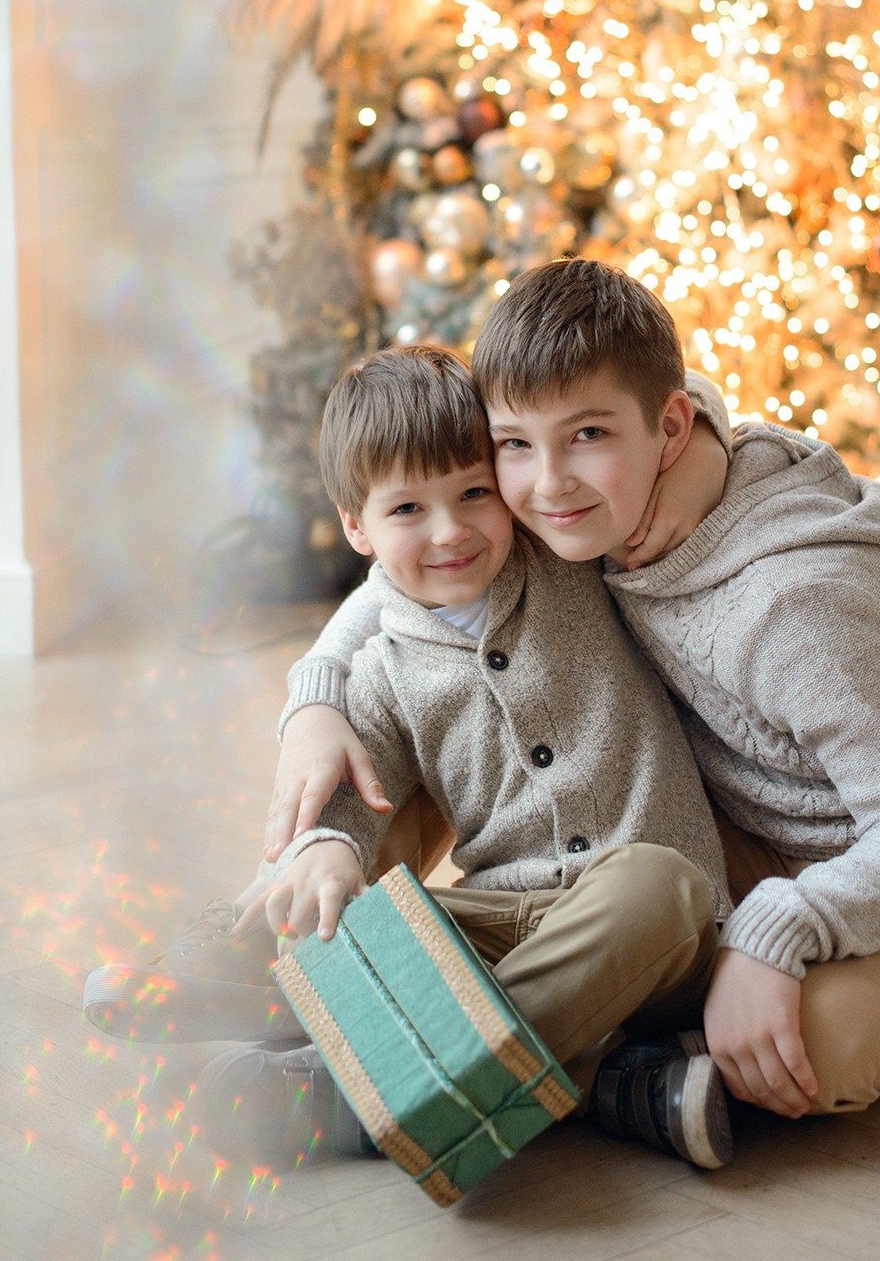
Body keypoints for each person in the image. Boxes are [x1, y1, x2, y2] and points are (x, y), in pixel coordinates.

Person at [260, 259, 880, 1123]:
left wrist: (776, 928)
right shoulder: (589, 506)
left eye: (587, 437)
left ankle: (462, 1070)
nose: (546, 484)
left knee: (800, 1049)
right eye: (514, 445)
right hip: (738, 827)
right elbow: (408, 571)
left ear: (668, 432)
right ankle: (293, 943)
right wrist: (317, 695)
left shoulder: (796, 609)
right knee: (417, 713)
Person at [94, 345, 738, 1173]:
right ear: (355, 527)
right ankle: (599, 1082)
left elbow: (682, 399)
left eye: (474, 493)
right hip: (502, 925)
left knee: (663, 884)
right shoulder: (379, 676)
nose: (450, 532)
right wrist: (328, 845)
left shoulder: (565, 551)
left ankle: (356, 1084)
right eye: (407, 509)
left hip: (650, 936)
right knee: (337, 911)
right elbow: (351, 801)